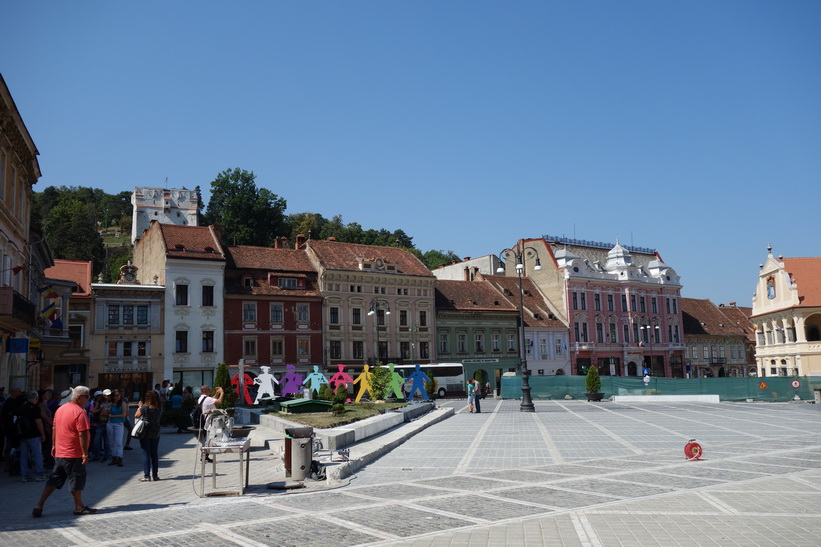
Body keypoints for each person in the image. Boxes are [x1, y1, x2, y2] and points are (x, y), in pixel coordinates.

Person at [32, 385, 97, 518]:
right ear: (79, 397)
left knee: (54, 479)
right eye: (87, 396)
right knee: (76, 479)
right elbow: (82, 434)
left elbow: (55, 428)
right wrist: (85, 453)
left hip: (61, 452)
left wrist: (54, 446)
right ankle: (79, 507)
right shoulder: (79, 412)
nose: (88, 399)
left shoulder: (61, 409)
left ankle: (39, 504)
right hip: (74, 452)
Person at [18, 391, 47, 481]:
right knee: (37, 454)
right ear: (36, 398)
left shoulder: (22, 407)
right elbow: (38, 421)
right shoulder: (35, 408)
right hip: (34, 434)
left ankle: (24, 475)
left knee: (24, 455)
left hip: (22, 434)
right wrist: (43, 434)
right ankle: (40, 474)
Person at [134, 390, 162, 482]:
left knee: (145, 453)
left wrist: (139, 407)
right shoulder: (159, 407)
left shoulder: (145, 407)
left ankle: (147, 476)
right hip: (156, 431)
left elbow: (136, 416)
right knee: (154, 454)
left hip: (145, 432)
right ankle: (155, 475)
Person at [106, 389, 127, 467]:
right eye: (116, 395)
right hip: (110, 423)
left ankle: (120, 457)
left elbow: (124, 414)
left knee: (118, 441)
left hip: (119, 423)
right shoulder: (111, 404)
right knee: (111, 442)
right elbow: (107, 412)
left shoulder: (123, 403)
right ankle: (114, 457)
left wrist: (113, 416)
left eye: (119, 395)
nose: (118, 397)